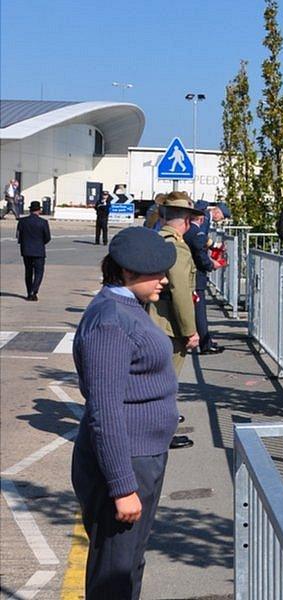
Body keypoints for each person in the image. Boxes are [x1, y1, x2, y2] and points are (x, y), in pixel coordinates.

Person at [71, 226, 179, 598]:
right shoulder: (111, 322)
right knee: (113, 573)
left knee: (129, 561)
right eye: (156, 273)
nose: (165, 280)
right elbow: (105, 411)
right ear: (127, 273)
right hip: (126, 460)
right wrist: (122, 486)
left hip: (141, 455)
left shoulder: (128, 308)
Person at [147, 192, 205, 450]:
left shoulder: (155, 238)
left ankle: (156, 428)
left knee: (155, 380)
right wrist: (190, 330)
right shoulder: (177, 246)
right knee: (166, 382)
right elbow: (181, 291)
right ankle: (161, 434)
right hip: (168, 324)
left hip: (152, 320)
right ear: (186, 221)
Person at [185, 201, 231, 354]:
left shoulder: (196, 224)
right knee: (199, 310)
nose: (220, 220)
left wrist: (214, 246)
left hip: (193, 270)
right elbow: (199, 244)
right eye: (222, 217)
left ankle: (206, 341)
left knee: (196, 309)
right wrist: (210, 264)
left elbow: (202, 241)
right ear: (217, 212)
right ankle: (205, 343)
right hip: (196, 273)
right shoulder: (201, 222)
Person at [16, 201, 51, 301]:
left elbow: (19, 236)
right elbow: (47, 237)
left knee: (28, 272)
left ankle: (29, 292)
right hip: (39, 250)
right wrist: (40, 243)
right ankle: (33, 291)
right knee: (39, 272)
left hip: (26, 250)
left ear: (30, 210)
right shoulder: (43, 222)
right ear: (39, 210)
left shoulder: (22, 221)